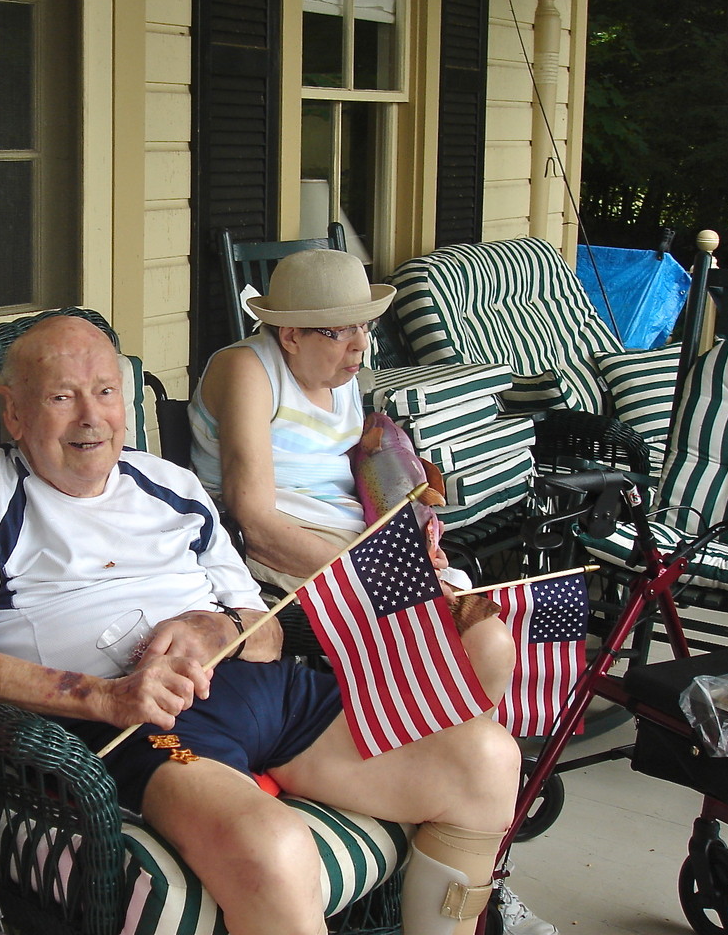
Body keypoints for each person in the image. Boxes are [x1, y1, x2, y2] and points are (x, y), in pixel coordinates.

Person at [0, 313, 523, 935]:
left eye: (105, 391)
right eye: (60, 397)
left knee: (486, 760)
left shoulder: (170, 484)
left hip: (261, 693)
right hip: (146, 724)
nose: (90, 417)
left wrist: (216, 628)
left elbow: (263, 631)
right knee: (275, 846)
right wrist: (104, 696)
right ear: (14, 412)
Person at [189, 247, 555, 935]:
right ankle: (448, 827)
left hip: (364, 548)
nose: (360, 345)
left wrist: (416, 525)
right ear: (289, 332)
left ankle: (456, 836)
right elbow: (256, 518)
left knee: (492, 637)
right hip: (287, 564)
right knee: (479, 646)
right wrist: (387, 572)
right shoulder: (247, 368)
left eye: (365, 327)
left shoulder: (343, 374)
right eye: (339, 330)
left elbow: (362, 471)